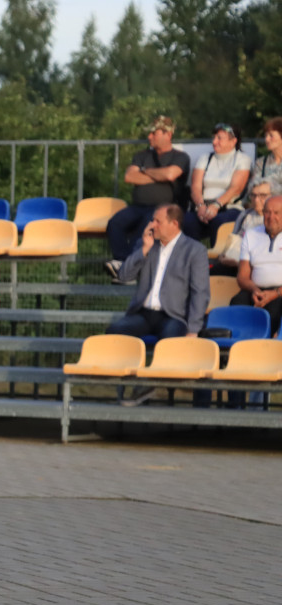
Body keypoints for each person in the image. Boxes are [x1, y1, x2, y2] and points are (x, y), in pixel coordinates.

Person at [105, 204, 210, 406]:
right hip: (143, 314)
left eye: (157, 221)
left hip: (174, 315)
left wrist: (194, 329)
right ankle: (134, 380)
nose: (152, 225)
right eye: (152, 220)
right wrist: (143, 248)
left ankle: (147, 383)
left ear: (174, 224)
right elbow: (124, 275)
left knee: (169, 339)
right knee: (115, 331)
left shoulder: (195, 251)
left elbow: (200, 292)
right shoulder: (147, 244)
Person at [105, 116, 191, 281]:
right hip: (137, 206)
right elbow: (129, 176)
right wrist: (160, 176)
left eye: (154, 133)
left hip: (162, 209)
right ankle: (124, 263)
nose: (149, 137)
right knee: (115, 223)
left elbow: (171, 174)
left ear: (168, 134)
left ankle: (127, 269)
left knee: (145, 226)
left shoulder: (180, 157)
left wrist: (144, 171)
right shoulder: (142, 155)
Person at [182, 122, 251, 243]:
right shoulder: (205, 158)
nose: (214, 142)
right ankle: (193, 258)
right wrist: (200, 206)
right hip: (203, 206)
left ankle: (218, 259)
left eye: (219, 138)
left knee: (219, 222)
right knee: (187, 221)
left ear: (233, 141)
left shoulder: (242, 159)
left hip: (229, 207)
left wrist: (216, 206)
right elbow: (196, 186)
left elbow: (236, 188)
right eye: (214, 138)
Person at [231, 196, 282, 336]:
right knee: (237, 303)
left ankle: (263, 349)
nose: (271, 217)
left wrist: (275, 293)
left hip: (280, 292)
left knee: (273, 310)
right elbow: (242, 277)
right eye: (267, 212)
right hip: (256, 290)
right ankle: (237, 346)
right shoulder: (251, 235)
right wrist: (255, 290)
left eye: (277, 213)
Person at [213, 180, 271, 274]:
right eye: (253, 195)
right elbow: (234, 238)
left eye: (263, 196)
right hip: (237, 259)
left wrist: (240, 264)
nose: (256, 200)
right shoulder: (245, 215)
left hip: (259, 268)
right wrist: (224, 255)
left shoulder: (277, 219)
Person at [247, 117, 282, 196]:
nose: (266, 139)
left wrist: (270, 188)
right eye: (266, 136)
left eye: (271, 135)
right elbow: (250, 187)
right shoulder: (261, 162)